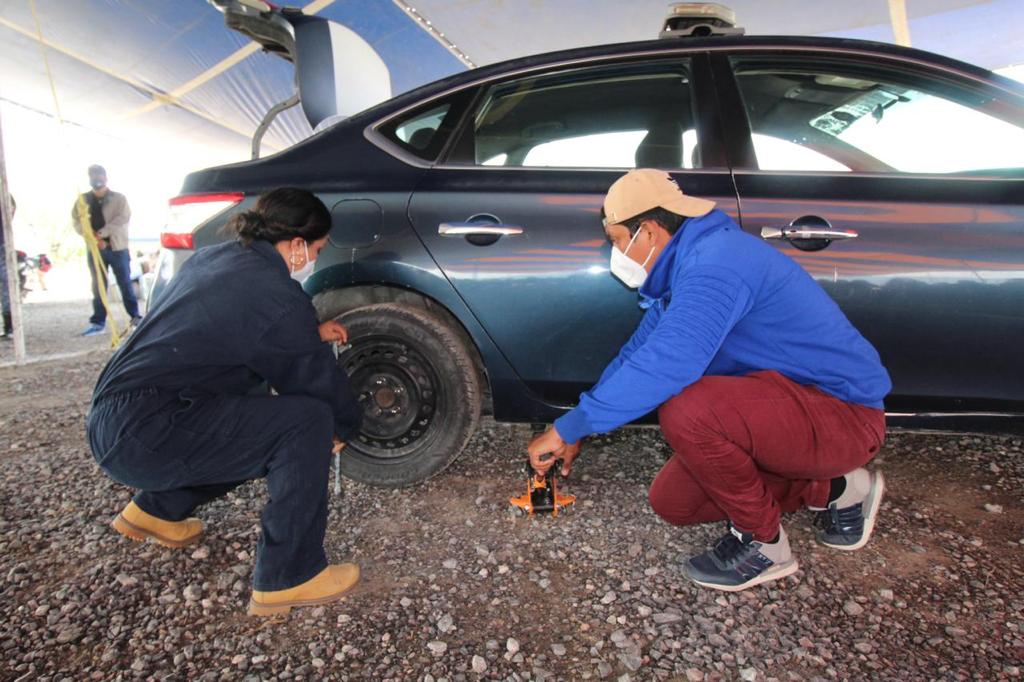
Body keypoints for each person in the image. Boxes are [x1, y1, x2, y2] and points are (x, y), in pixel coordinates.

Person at [528, 169, 891, 592]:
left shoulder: (717, 265)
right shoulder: (687, 266)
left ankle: (765, 544)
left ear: (647, 231)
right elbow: (638, 355)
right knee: (675, 503)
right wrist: (577, 426)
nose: (616, 253)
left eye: (616, 240)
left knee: (689, 410)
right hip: (789, 411)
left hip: (843, 416)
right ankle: (837, 486)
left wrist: (569, 426)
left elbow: (670, 363)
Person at [86, 187, 363, 616]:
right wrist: (345, 425)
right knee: (307, 421)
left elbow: (236, 327)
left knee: (247, 414)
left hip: (117, 418)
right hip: (148, 430)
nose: (314, 259)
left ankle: (156, 511)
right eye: (317, 249)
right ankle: (290, 576)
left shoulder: (216, 259)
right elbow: (312, 378)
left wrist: (307, 330)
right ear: (295, 245)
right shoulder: (273, 294)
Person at [72, 164, 141, 336]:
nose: (97, 179)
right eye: (93, 176)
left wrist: (102, 234)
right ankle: (98, 322)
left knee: (125, 283)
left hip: (117, 248)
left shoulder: (119, 199)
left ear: (106, 177)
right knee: (98, 286)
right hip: (95, 251)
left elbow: (122, 218)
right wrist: (92, 238)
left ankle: (135, 318)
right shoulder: (83, 200)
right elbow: (77, 221)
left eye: (100, 176)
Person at [1, 195, 15, 340]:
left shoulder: (4, 194)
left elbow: (11, 209)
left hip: (1, 245)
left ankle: (9, 326)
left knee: (6, 286)